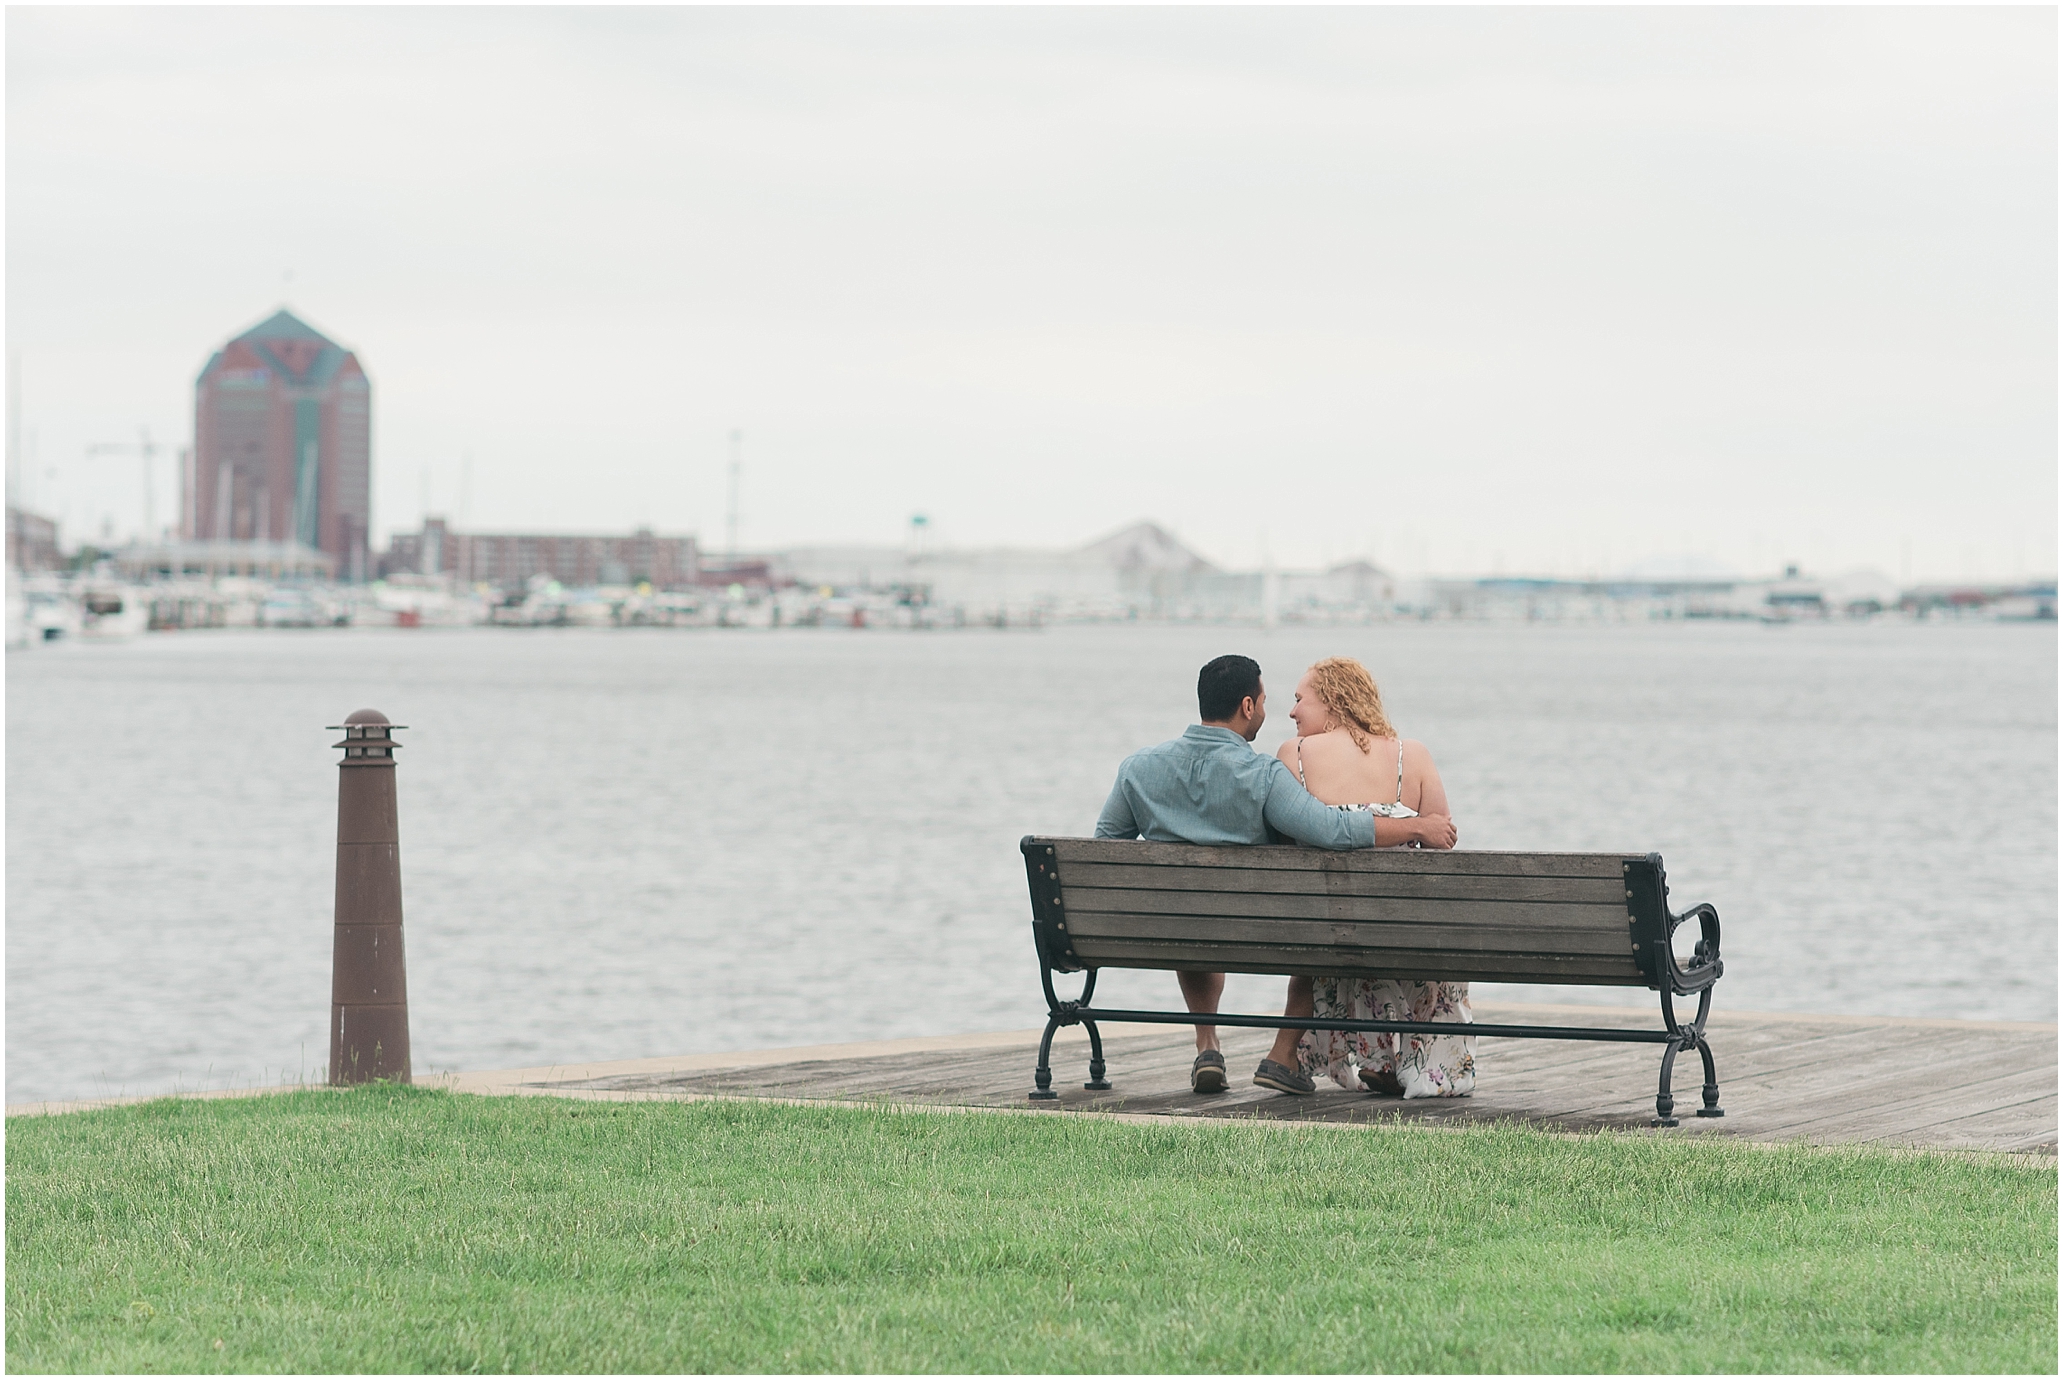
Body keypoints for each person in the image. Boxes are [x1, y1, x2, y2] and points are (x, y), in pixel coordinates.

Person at [1095, 654, 1456, 1095]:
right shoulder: (1262, 774)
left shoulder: (1138, 770)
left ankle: (1207, 1042)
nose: (1272, 712)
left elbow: (1104, 849)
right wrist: (1417, 826)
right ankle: (1283, 1053)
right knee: (1313, 927)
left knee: (1191, 921)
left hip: (1174, 927)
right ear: (1248, 707)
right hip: (1260, 931)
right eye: (1265, 701)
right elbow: (1331, 830)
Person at [1266, 655, 1477, 1099]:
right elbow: (1443, 835)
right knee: (1399, 932)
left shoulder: (1294, 755)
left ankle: (1370, 1059)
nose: (1291, 711)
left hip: (1328, 930)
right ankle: (1396, 1062)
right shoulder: (1411, 755)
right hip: (1404, 929)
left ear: (1334, 702)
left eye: (1300, 699)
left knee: (1334, 932)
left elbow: (1284, 838)